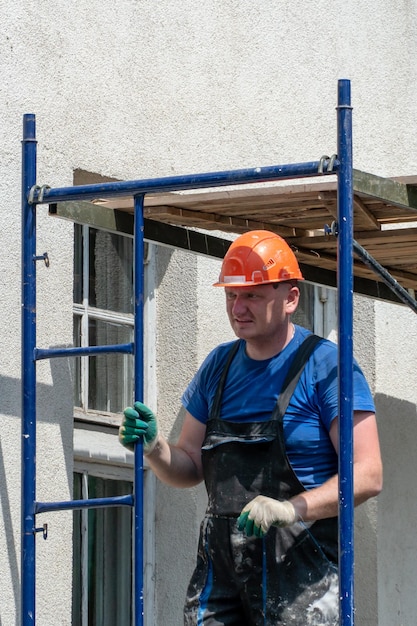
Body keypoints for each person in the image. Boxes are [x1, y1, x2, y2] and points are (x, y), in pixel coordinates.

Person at [119, 230, 383, 625]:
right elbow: (190, 464)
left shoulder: (327, 367)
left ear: (291, 297)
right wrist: (156, 447)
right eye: (231, 295)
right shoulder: (218, 368)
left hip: (300, 581)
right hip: (221, 579)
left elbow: (368, 475)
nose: (238, 308)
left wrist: (289, 509)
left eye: (253, 295)